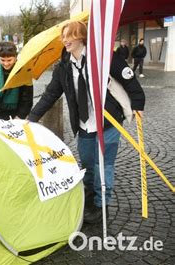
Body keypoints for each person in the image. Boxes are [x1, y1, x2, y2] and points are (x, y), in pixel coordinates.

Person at [27, 22, 145, 224]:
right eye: (63, 37)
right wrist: (31, 118)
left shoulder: (103, 59)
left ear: (81, 37)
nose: (64, 40)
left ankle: (102, 205)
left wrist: (138, 103)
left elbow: (129, 78)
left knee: (104, 166)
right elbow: (50, 94)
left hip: (108, 123)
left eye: (69, 35)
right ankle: (89, 200)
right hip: (84, 126)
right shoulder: (63, 67)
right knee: (88, 165)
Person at [0, 42, 33, 120]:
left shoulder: (23, 70)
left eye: (9, 60)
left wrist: (20, 116)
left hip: (18, 114)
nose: (6, 64)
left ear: (15, 57)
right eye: (2, 60)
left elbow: (27, 98)